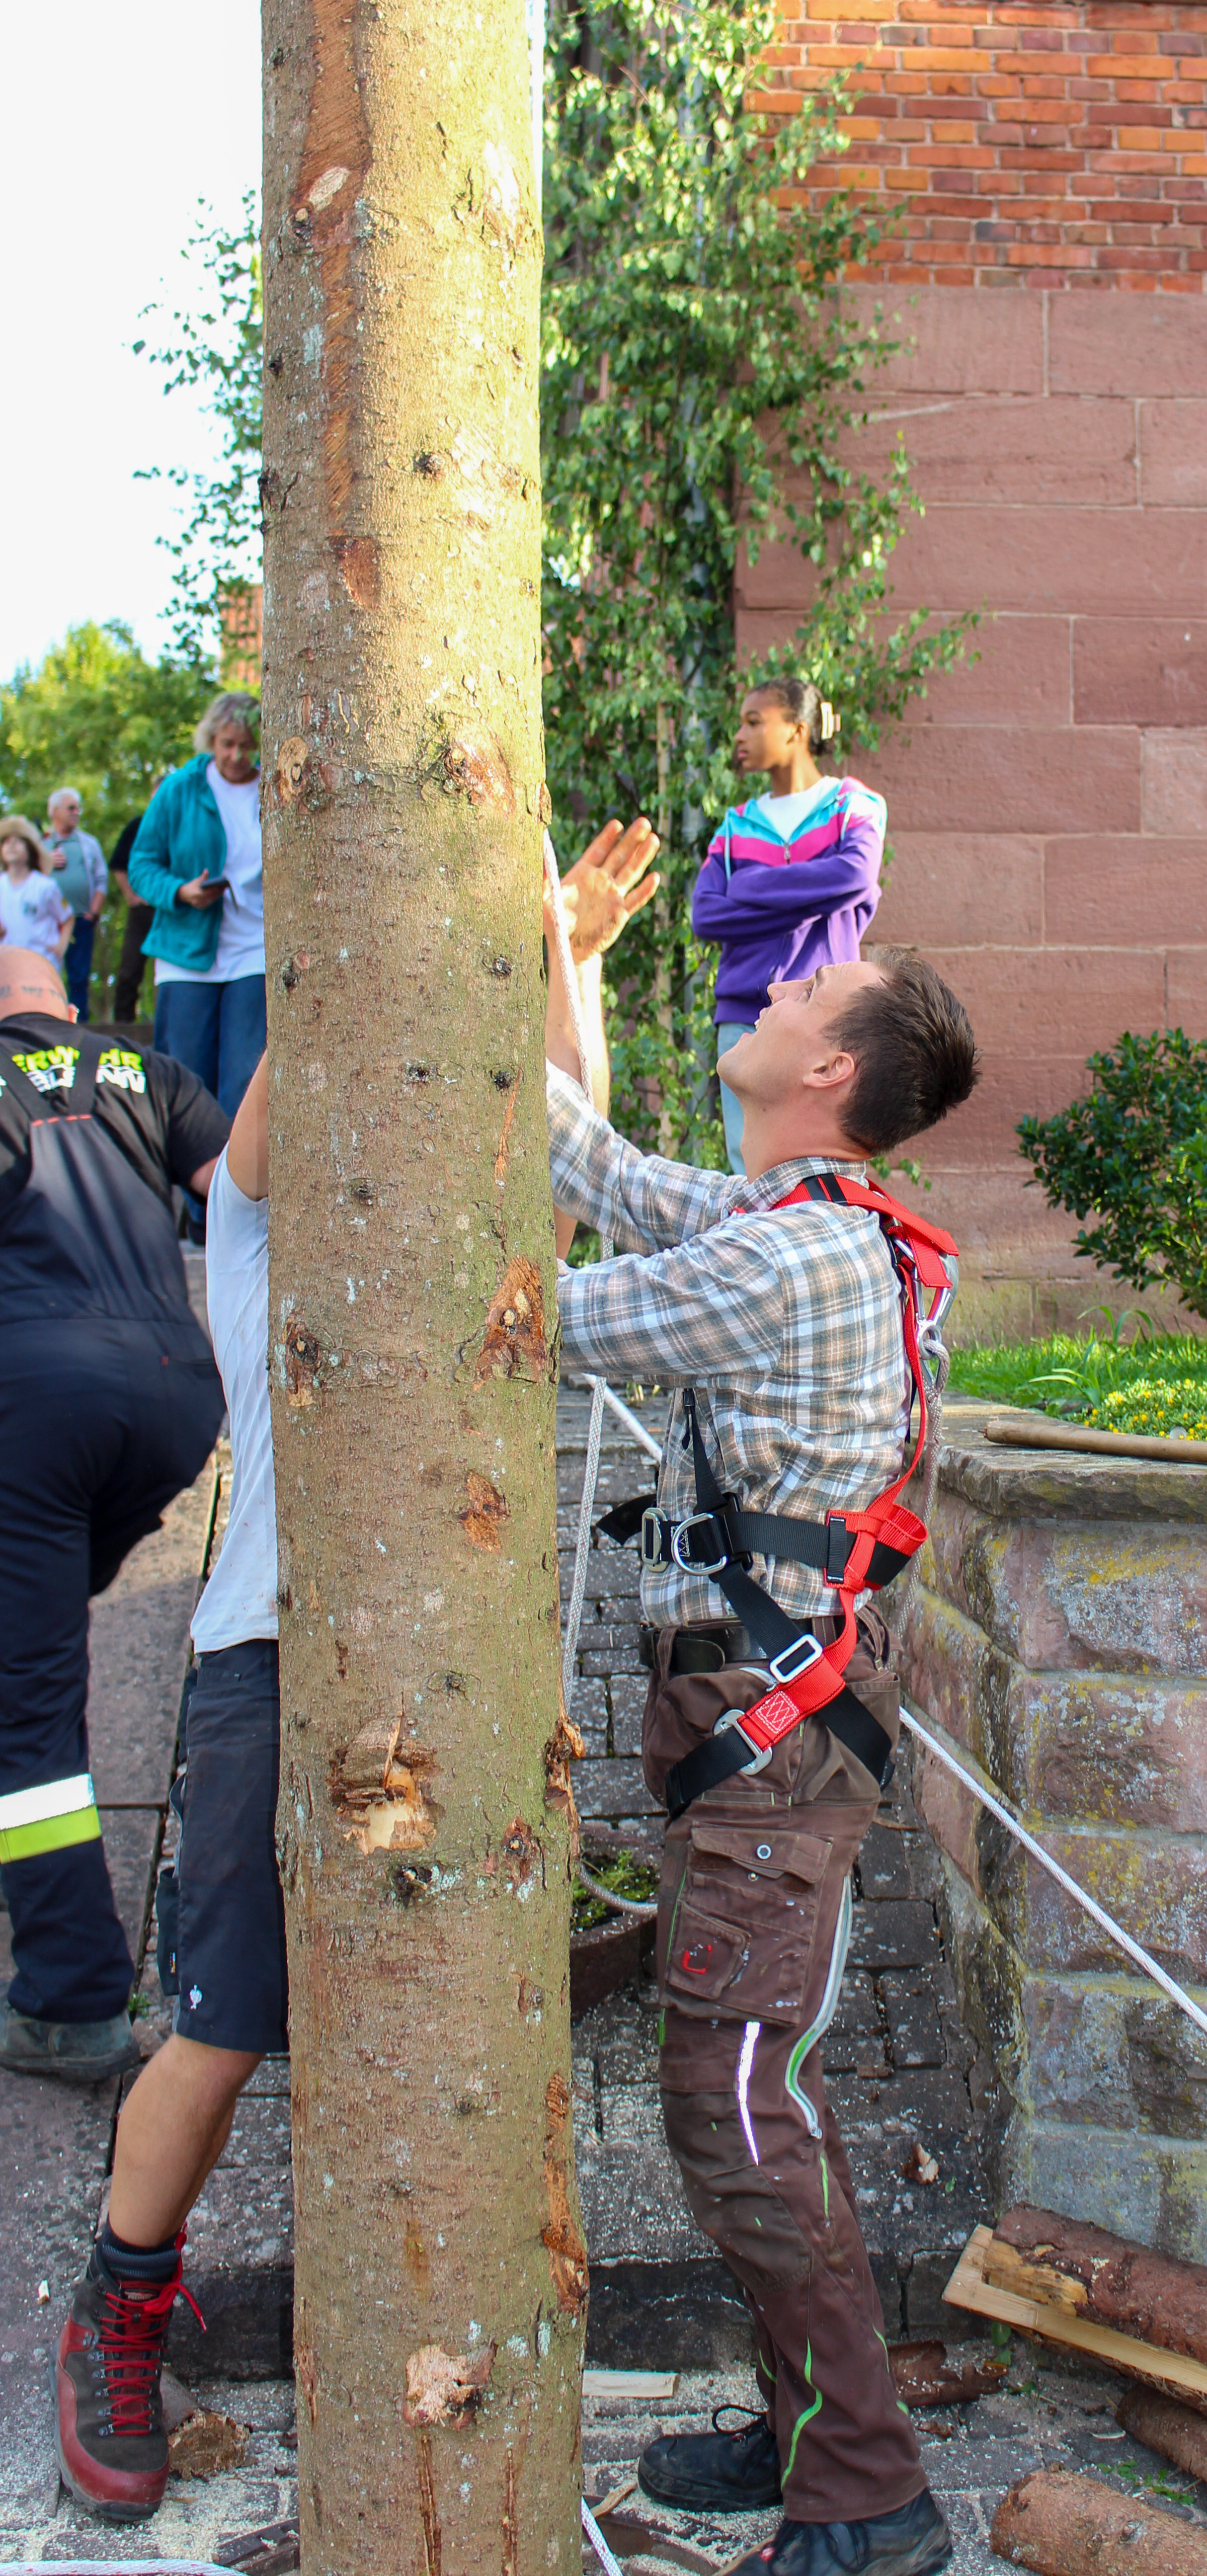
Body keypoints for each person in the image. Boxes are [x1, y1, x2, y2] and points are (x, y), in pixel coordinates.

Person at [50, 821, 661, 2525]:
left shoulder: (484, 1261)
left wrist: (560, 954)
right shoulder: (257, 1242)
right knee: (226, 2025)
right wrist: (366, 893)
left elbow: (555, 1145)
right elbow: (280, 1084)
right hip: (262, 1670)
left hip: (454, 1684)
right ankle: (117, 2304)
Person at [547, 829, 977, 2576]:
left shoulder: (791, 1257)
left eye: (800, 988)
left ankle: (866, 2491)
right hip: (771, 1743)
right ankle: (803, 2418)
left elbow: (532, 1315)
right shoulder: (806, 1223)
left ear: (829, 1072)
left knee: (731, 2110)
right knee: (747, 2092)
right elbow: (589, 1161)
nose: (770, 985)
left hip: (769, 1744)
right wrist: (554, 948)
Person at [0, 948, 228, 2086]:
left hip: (37, 1404)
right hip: (177, 1395)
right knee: (25, 1641)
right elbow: (243, 1185)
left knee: (29, 1712)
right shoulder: (144, 1069)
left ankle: (71, 1996)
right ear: (64, 1007)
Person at [692, 679, 885, 1174]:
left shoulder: (854, 806)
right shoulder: (734, 828)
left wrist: (752, 885)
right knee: (749, 1159)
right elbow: (707, 914)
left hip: (824, 1015)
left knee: (828, 1159)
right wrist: (816, 898)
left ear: (797, 729)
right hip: (744, 1017)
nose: (739, 734)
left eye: (754, 721)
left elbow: (855, 875)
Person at [124, 690, 266, 1137]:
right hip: (186, 952)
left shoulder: (277, 785)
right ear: (211, 740)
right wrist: (181, 891)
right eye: (227, 744)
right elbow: (142, 865)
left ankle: (240, 1202)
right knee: (185, 1084)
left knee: (246, 1083)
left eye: (247, 745)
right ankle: (188, 1204)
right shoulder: (179, 789)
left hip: (254, 949)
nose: (237, 755)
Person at [43, 789, 109, 1021]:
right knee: (47, 974)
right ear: (55, 812)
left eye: (78, 808)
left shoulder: (89, 843)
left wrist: (94, 912)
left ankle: (78, 1026)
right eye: (71, 808)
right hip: (47, 924)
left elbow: (102, 879)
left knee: (79, 976)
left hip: (82, 920)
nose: (76, 812)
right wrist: (46, 861)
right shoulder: (40, 845)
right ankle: (48, 1021)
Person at [0, 817, 75, 964]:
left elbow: (68, 917)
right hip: (7, 965)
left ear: (31, 850)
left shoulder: (46, 886)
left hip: (40, 963)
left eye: (18, 841)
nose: (12, 846)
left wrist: (62, 945)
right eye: (7, 842)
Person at [106, 814, 152, 1026]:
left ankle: (167, 1023)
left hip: (175, 909)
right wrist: (131, 897)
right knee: (130, 968)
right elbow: (118, 864)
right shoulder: (138, 825)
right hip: (142, 909)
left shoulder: (186, 823)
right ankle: (123, 1025)